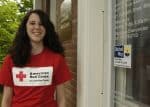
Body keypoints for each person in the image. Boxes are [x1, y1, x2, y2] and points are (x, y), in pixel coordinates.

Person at [0, 9, 72, 107]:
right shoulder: (11, 59)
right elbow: (6, 99)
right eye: (32, 23)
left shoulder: (56, 59)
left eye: (41, 24)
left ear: (46, 28)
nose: (37, 27)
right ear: (25, 27)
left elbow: (61, 99)